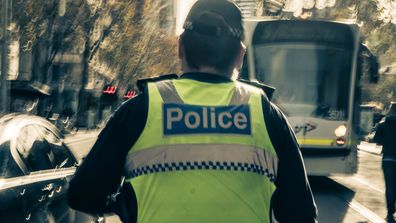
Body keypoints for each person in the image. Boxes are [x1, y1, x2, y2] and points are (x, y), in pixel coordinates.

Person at [67, 1, 317, 222]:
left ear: (180, 48)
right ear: (240, 56)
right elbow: (302, 215)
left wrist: (121, 205)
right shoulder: (268, 116)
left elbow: (82, 194)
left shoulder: (140, 110)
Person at [373, 102, 396, 223]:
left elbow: (377, 141)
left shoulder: (383, 125)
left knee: (390, 186)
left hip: (388, 159)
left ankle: (390, 212)